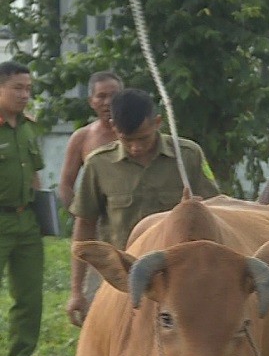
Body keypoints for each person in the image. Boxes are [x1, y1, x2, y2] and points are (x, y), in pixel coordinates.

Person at [67, 87, 220, 326]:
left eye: (143, 138)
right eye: (127, 140)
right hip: (120, 274)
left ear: (157, 122)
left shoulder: (188, 156)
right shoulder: (98, 164)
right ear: (113, 127)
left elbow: (216, 209)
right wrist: (77, 290)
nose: (136, 147)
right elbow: (85, 225)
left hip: (175, 276)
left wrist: (196, 208)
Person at [0, 61, 45, 356]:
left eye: (28, 88)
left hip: (26, 221)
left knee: (30, 297)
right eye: (17, 87)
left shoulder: (29, 127)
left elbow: (35, 175)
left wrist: (42, 214)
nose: (25, 95)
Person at [58, 71, 123, 209]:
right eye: (101, 96)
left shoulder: (140, 133)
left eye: (114, 96)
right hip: (98, 217)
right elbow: (66, 185)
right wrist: (81, 218)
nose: (108, 102)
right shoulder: (81, 137)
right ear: (91, 101)